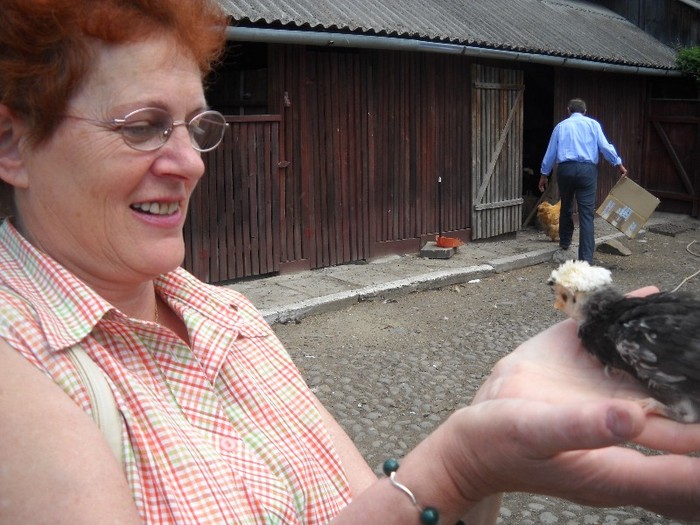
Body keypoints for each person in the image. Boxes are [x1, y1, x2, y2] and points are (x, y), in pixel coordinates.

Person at [0, 2, 698, 523]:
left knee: (575, 221)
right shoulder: (19, 367)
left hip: (567, 171)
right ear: (12, 144)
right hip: (587, 175)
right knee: (581, 222)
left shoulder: (230, 318)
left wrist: (486, 443)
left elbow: (366, 505)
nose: (188, 163)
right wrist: (455, 468)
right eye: (142, 126)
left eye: (196, 126)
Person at [538, 98, 628, 264]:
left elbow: (551, 152)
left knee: (566, 205)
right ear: (585, 111)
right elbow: (605, 147)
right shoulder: (593, 125)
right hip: (587, 170)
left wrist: (544, 174)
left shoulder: (561, 127)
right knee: (586, 214)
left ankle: (565, 242)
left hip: (565, 169)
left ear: (568, 110)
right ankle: (586, 258)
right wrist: (618, 163)